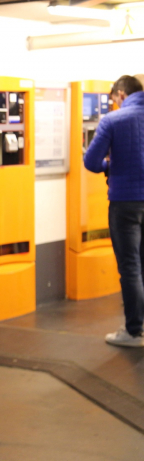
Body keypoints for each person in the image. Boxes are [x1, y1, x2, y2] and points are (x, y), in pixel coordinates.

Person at [85, 74, 144, 347]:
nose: (114, 104)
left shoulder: (114, 120)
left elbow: (91, 161)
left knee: (130, 268)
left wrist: (110, 166)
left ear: (121, 94)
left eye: (113, 100)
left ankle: (133, 331)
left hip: (125, 203)